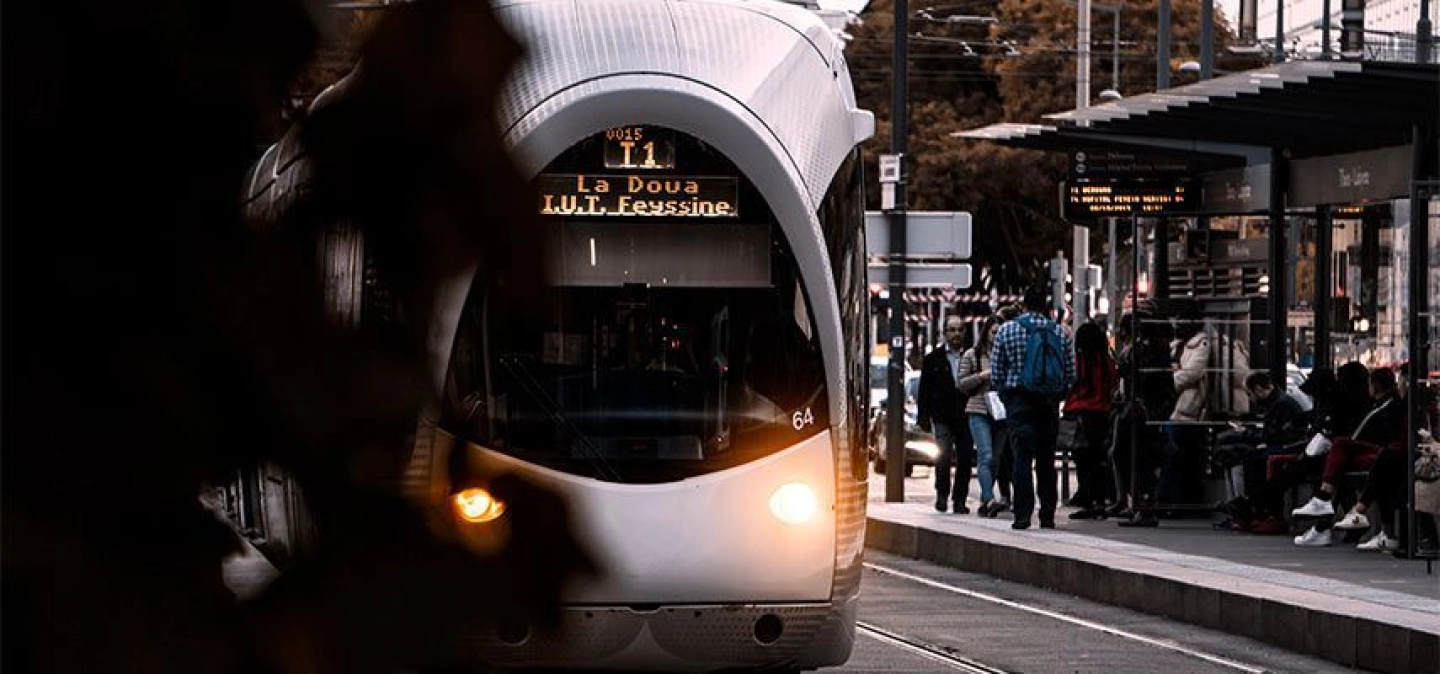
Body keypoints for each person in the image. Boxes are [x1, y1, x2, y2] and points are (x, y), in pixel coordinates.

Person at [990, 287, 1075, 530]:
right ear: (1046, 307)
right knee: (1047, 460)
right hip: (1048, 404)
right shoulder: (1059, 332)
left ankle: (1023, 515)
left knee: (1022, 459)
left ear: (1024, 305)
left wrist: (1007, 397)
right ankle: (1047, 514)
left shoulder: (1008, 330)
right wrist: (1057, 396)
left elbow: (997, 373)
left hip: (1019, 402)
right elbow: (1070, 373)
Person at [1293, 367, 1405, 546]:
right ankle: (1326, 520)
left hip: (1385, 453)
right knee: (1339, 464)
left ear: (1374, 386)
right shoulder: (1379, 404)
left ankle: (1324, 510)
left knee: (1340, 448)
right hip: (1381, 452)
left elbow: (1363, 435)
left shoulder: (1387, 405)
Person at [1213, 371, 1308, 533]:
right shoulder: (1278, 402)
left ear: (1258, 389)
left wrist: (1245, 434)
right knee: (1232, 456)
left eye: (1250, 394)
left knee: (1243, 457)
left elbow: (1273, 435)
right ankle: (1239, 509)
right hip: (1281, 445)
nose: (1250, 399)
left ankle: (1247, 509)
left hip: (1285, 447)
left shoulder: (1281, 404)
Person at [918, 316, 974, 513]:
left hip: (966, 415)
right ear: (945, 333)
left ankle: (960, 499)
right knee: (943, 456)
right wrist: (923, 417)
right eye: (952, 330)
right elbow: (924, 390)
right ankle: (942, 495)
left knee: (966, 457)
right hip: (942, 416)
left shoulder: (972, 356)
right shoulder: (933, 359)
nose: (956, 334)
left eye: (959, 329)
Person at [1065, 321, 1118, 520]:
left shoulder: (1080, 361)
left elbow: (1071, 382)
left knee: (1082, 458)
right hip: (1102, 413)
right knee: (1098, 457)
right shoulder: (1106, 362)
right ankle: (1100, 498)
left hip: (1081, 413)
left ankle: (1088, 498)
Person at [958, 316, 1002, 516]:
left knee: (996, 459)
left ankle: (987, 500)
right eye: (993, 332)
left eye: (999, 332)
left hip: (1001, 412)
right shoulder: (972, 355)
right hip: (979, 409)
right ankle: (988, 497)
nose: (996, 336)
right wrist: (981, 376)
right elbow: (961, 383)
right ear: (986, 333)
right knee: (986, 455)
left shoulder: (1006, 354)